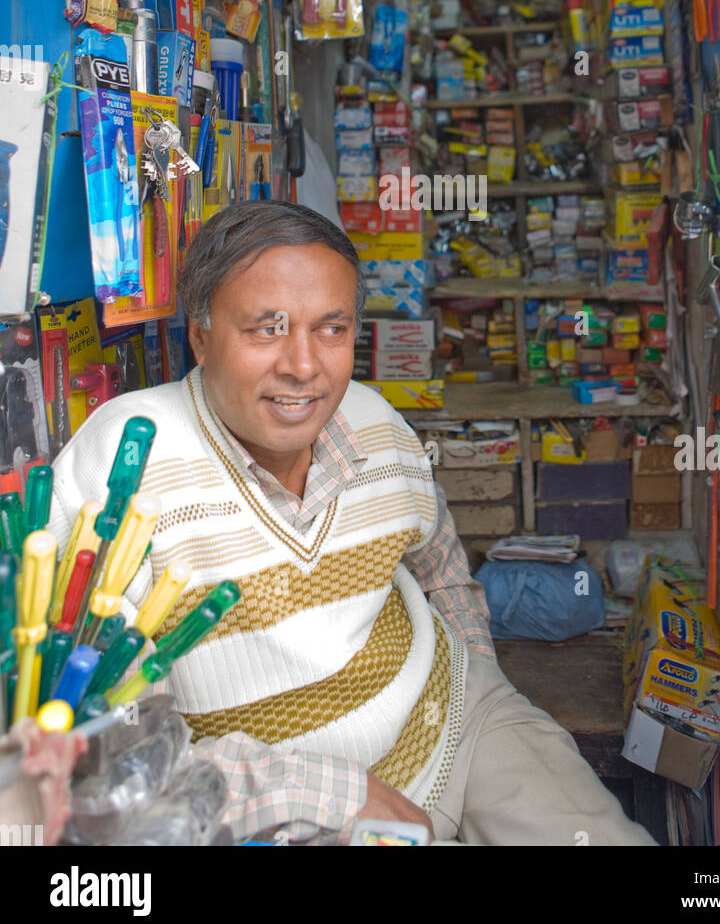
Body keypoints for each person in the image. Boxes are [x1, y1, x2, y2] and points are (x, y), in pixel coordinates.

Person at [49, 202, 654, 847]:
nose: (304, 366)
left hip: (454, 726)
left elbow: (441, 562)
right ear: (199, 335)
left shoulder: (372, 420)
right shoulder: (125, 462)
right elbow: (113, 747)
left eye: (331, 329)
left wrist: (481, 676)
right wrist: (336, 793)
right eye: (266, 330)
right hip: (282, 813)